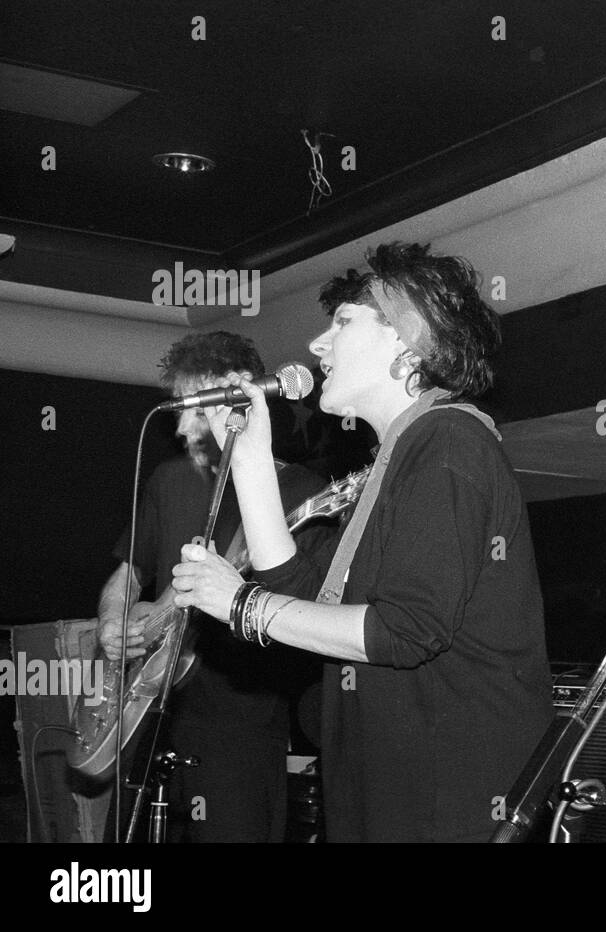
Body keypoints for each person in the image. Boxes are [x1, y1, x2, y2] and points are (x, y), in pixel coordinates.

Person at [171, 243, 554, 842]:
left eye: (343, 323)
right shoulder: (395, 460)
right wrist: (248, 462)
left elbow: (404, 630)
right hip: (391, 788)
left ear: (410, 341)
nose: (319, 346)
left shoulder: (449, 444)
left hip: (446, 797)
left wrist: (240, 605)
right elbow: (302, 590)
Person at [97, 331, 324, 842]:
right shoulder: (168, 479)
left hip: (237, 720)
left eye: (193, 407)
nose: (179, 425)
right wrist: (114, 618)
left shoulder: (299, 490)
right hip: (148, 710)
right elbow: (128, 571)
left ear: (236, 396)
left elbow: (304, 604)